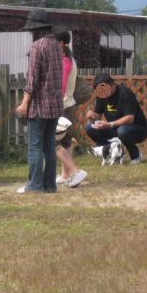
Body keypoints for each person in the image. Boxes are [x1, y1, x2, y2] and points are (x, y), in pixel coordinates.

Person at [15, 9, 63, 194]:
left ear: (37, 29)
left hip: (40, 105)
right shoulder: (56, 45)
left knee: (35, 147)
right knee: (49, 146)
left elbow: (32, 79)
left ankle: (35, 185)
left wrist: (25, 102)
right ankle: (50, 185)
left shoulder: (37, 46)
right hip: (55, 105)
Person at [85, 73, 147, 163]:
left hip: (137, 129)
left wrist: (109, 124)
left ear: (112, 85)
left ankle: (136, 156)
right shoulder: (102, 96)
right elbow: (97, 117)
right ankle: (112, 153)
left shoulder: (125, 93)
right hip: (114, 128)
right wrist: (92, 116)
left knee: (122, 131)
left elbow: (130, 118)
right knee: (90, 127)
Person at [54, 30, 87, 188]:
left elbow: (61, 86)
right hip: (69, 104)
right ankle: (66, 175)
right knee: (66, 141)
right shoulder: (70, 59)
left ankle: (75, 172)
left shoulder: (64, 61)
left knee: (53, 141)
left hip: (62, 104)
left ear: (61, 43)